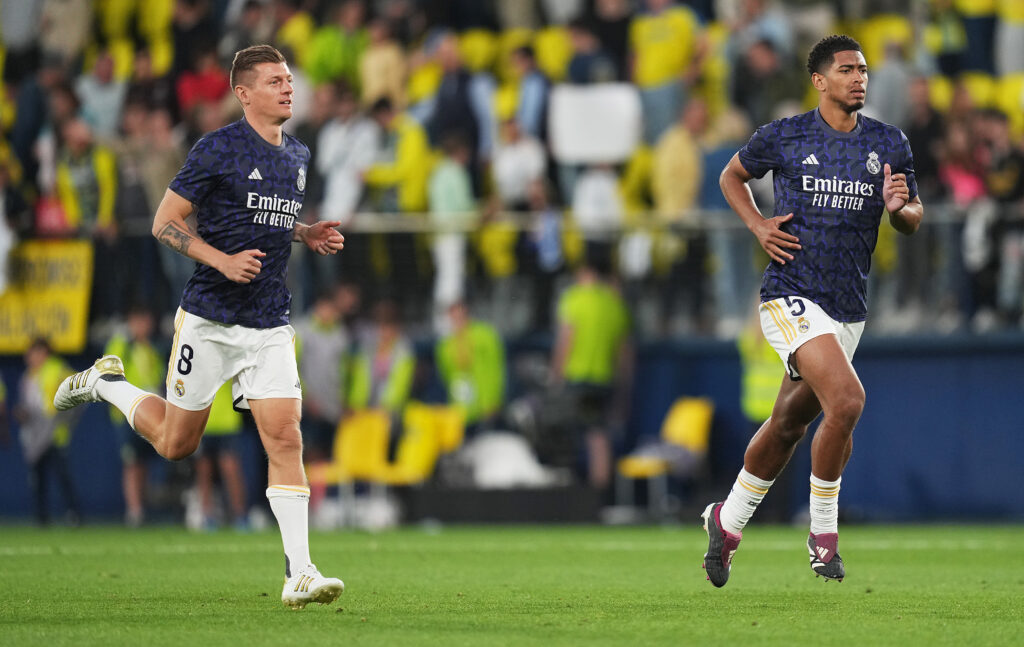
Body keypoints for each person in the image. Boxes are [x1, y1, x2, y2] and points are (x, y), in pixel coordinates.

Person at [53, 45, 346, 609]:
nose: (288, 88)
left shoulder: (299, 155)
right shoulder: (217, 149)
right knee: (174, 445)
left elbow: (263, 216)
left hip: (268, 321)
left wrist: (304, 232)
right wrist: (222, 261)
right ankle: (106, 383)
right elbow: (165, 223)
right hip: (209, 320)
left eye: (289, 79)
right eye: (274, 82)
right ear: (244, 94)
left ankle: (301, 573)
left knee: (285, 435)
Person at [704, 34, 923, 587]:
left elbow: (912, 212)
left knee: (788, 424)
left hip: (848, 305)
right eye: (847, 69)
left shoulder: (889, 142)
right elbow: (731, 176)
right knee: (847, 400)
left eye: (864, 69)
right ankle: (823, 535)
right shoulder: (784, 135)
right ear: (820, 80)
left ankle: (726, 523)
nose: (859, 78)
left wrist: (900, 210)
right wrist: (758, 225)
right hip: (790, 292)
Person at [104, 307, 164, 527]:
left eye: (147, 322)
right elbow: (108, 375)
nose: (145, 326)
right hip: (127, 414)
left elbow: (157, 379)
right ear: (131, 321)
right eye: (140, 321)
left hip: (148, 416)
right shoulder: (122, 345)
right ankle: (134, 510)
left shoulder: (149, 348)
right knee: (131, 462)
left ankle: (141, 507)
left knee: (144, 462)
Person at [16, 339, 80, 526]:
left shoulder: (57, 369)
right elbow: (29, 404)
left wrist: (65, 418)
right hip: (35, 435)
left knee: (61, 476)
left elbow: (80, 389)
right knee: (38, 479)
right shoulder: (28, 376)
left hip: (54, 433)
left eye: (34, 352)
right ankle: (41, 517)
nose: (30, 357)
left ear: (43, 352)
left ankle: (73, 513)